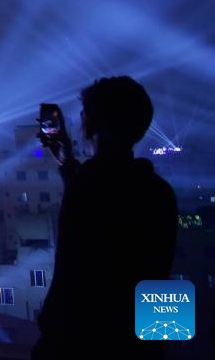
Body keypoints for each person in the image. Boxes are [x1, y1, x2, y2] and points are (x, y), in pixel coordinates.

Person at [32, 76, 178, 360]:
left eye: (83, 116)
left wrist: (51, 338)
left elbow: (72, 280)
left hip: (78, 347)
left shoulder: (88, 189)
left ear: (95, 125)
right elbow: (162, 281)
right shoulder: (160, 193)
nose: (78, 125)